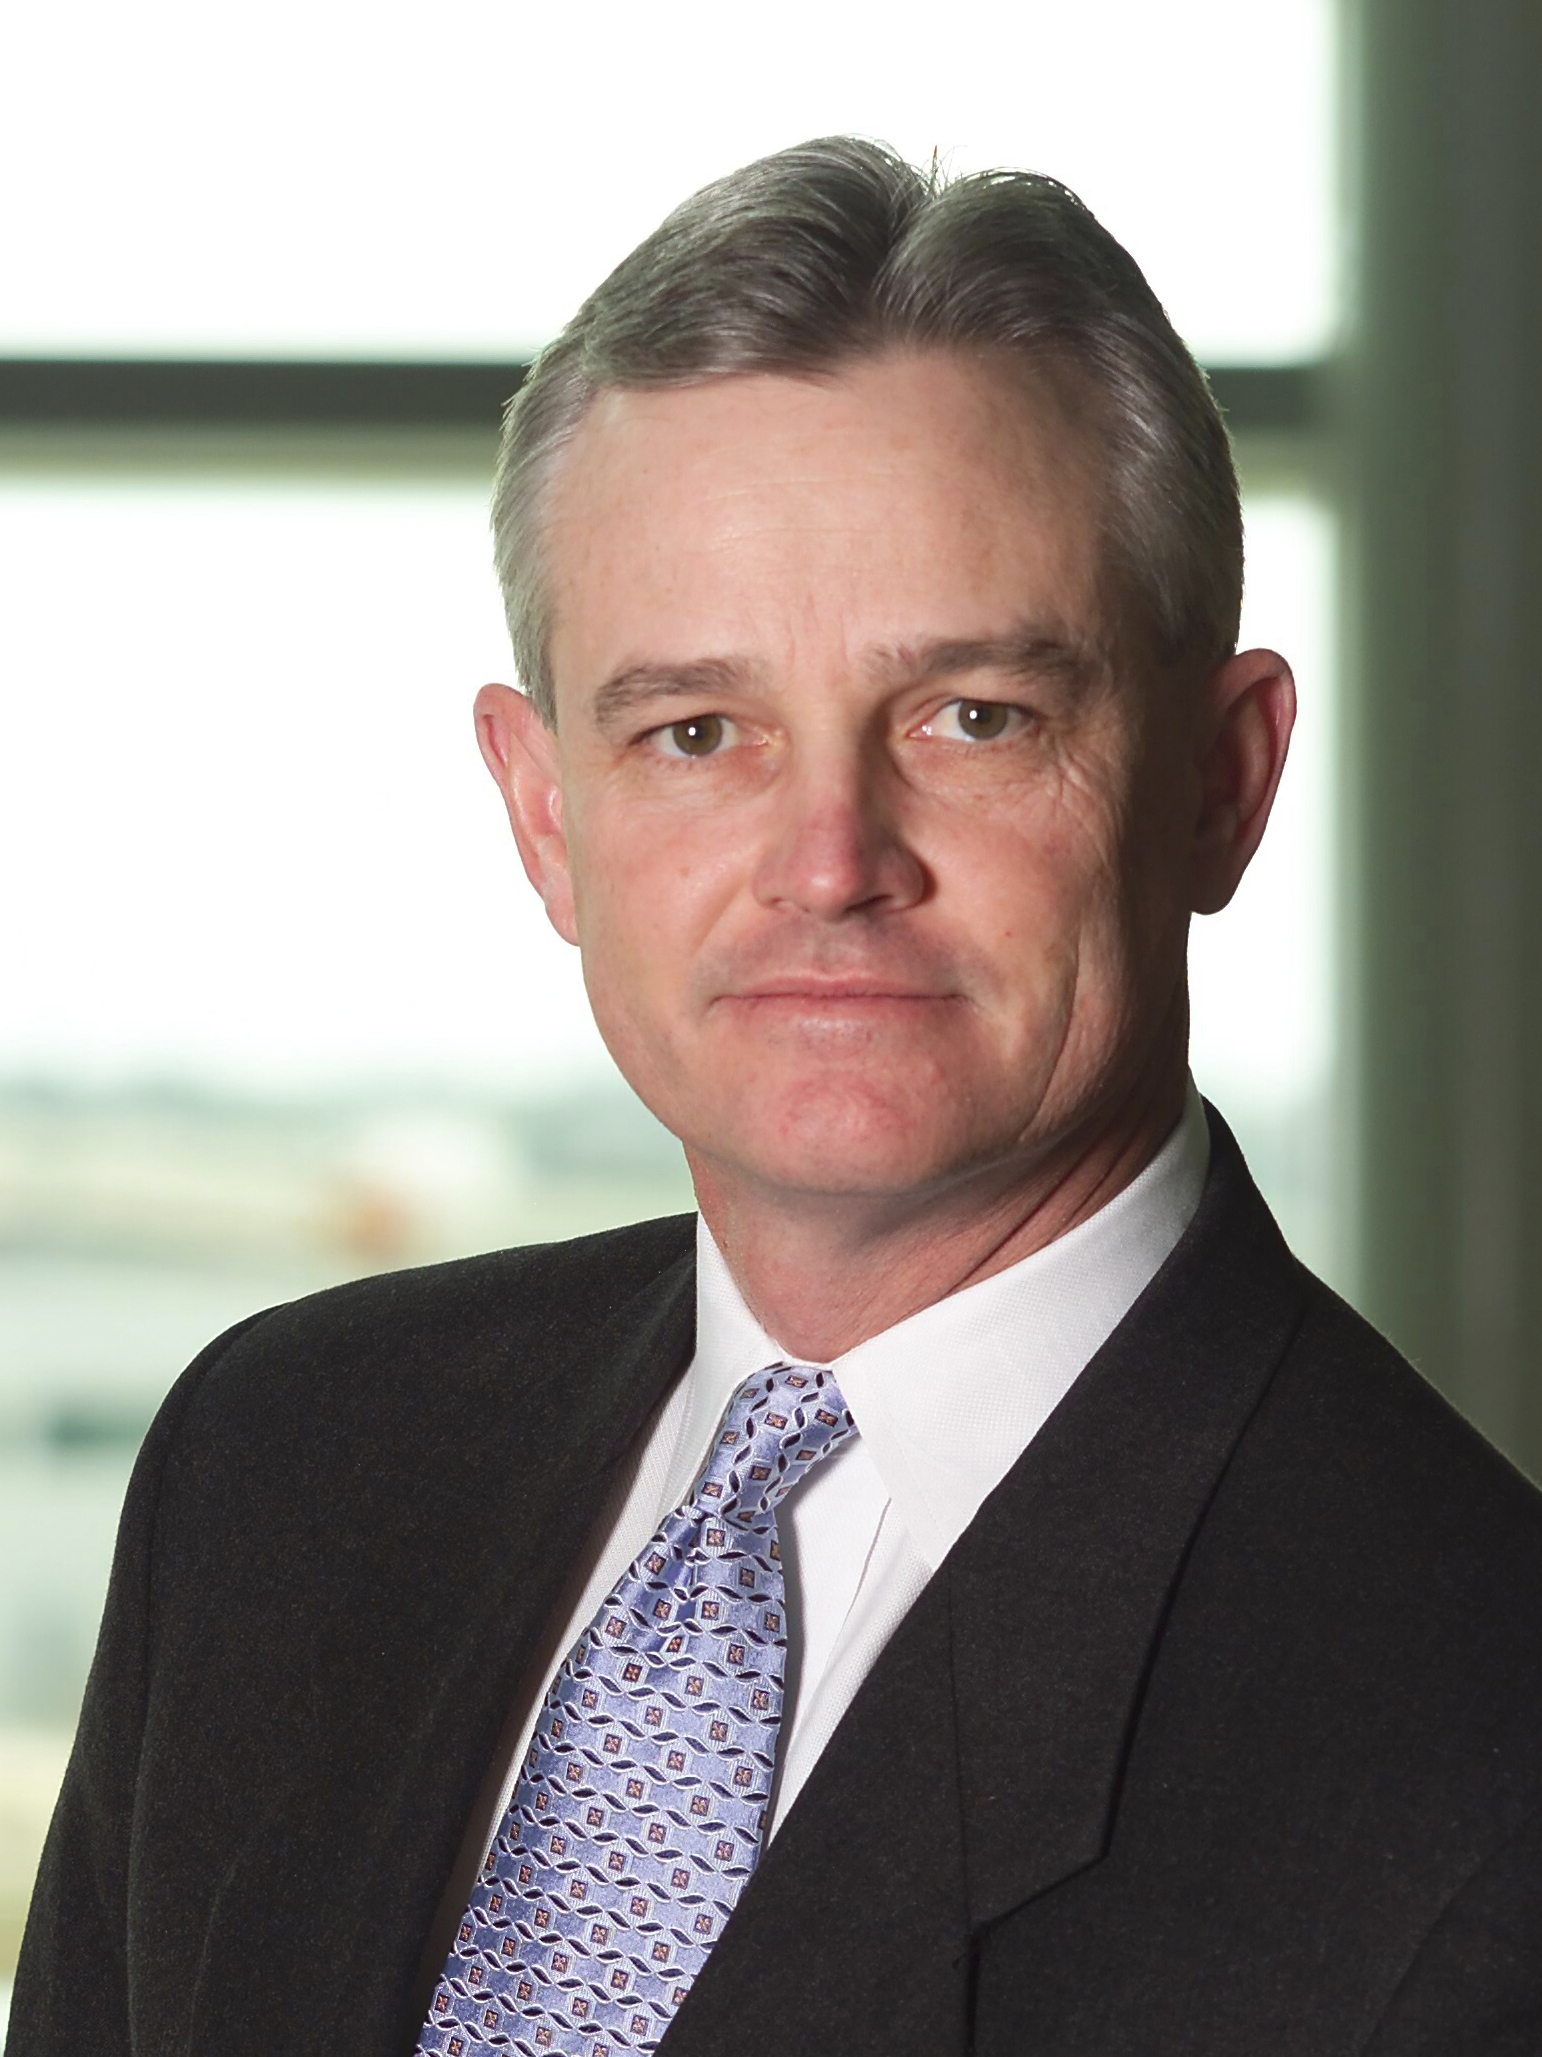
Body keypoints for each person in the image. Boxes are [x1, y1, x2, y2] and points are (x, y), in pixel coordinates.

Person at [11, 136, 1542, 2057]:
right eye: (696, 731)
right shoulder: (279, 1471)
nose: (829, 861)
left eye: (974, 716)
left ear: (1222, 782)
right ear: (545, 816)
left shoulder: (1481, 1753)